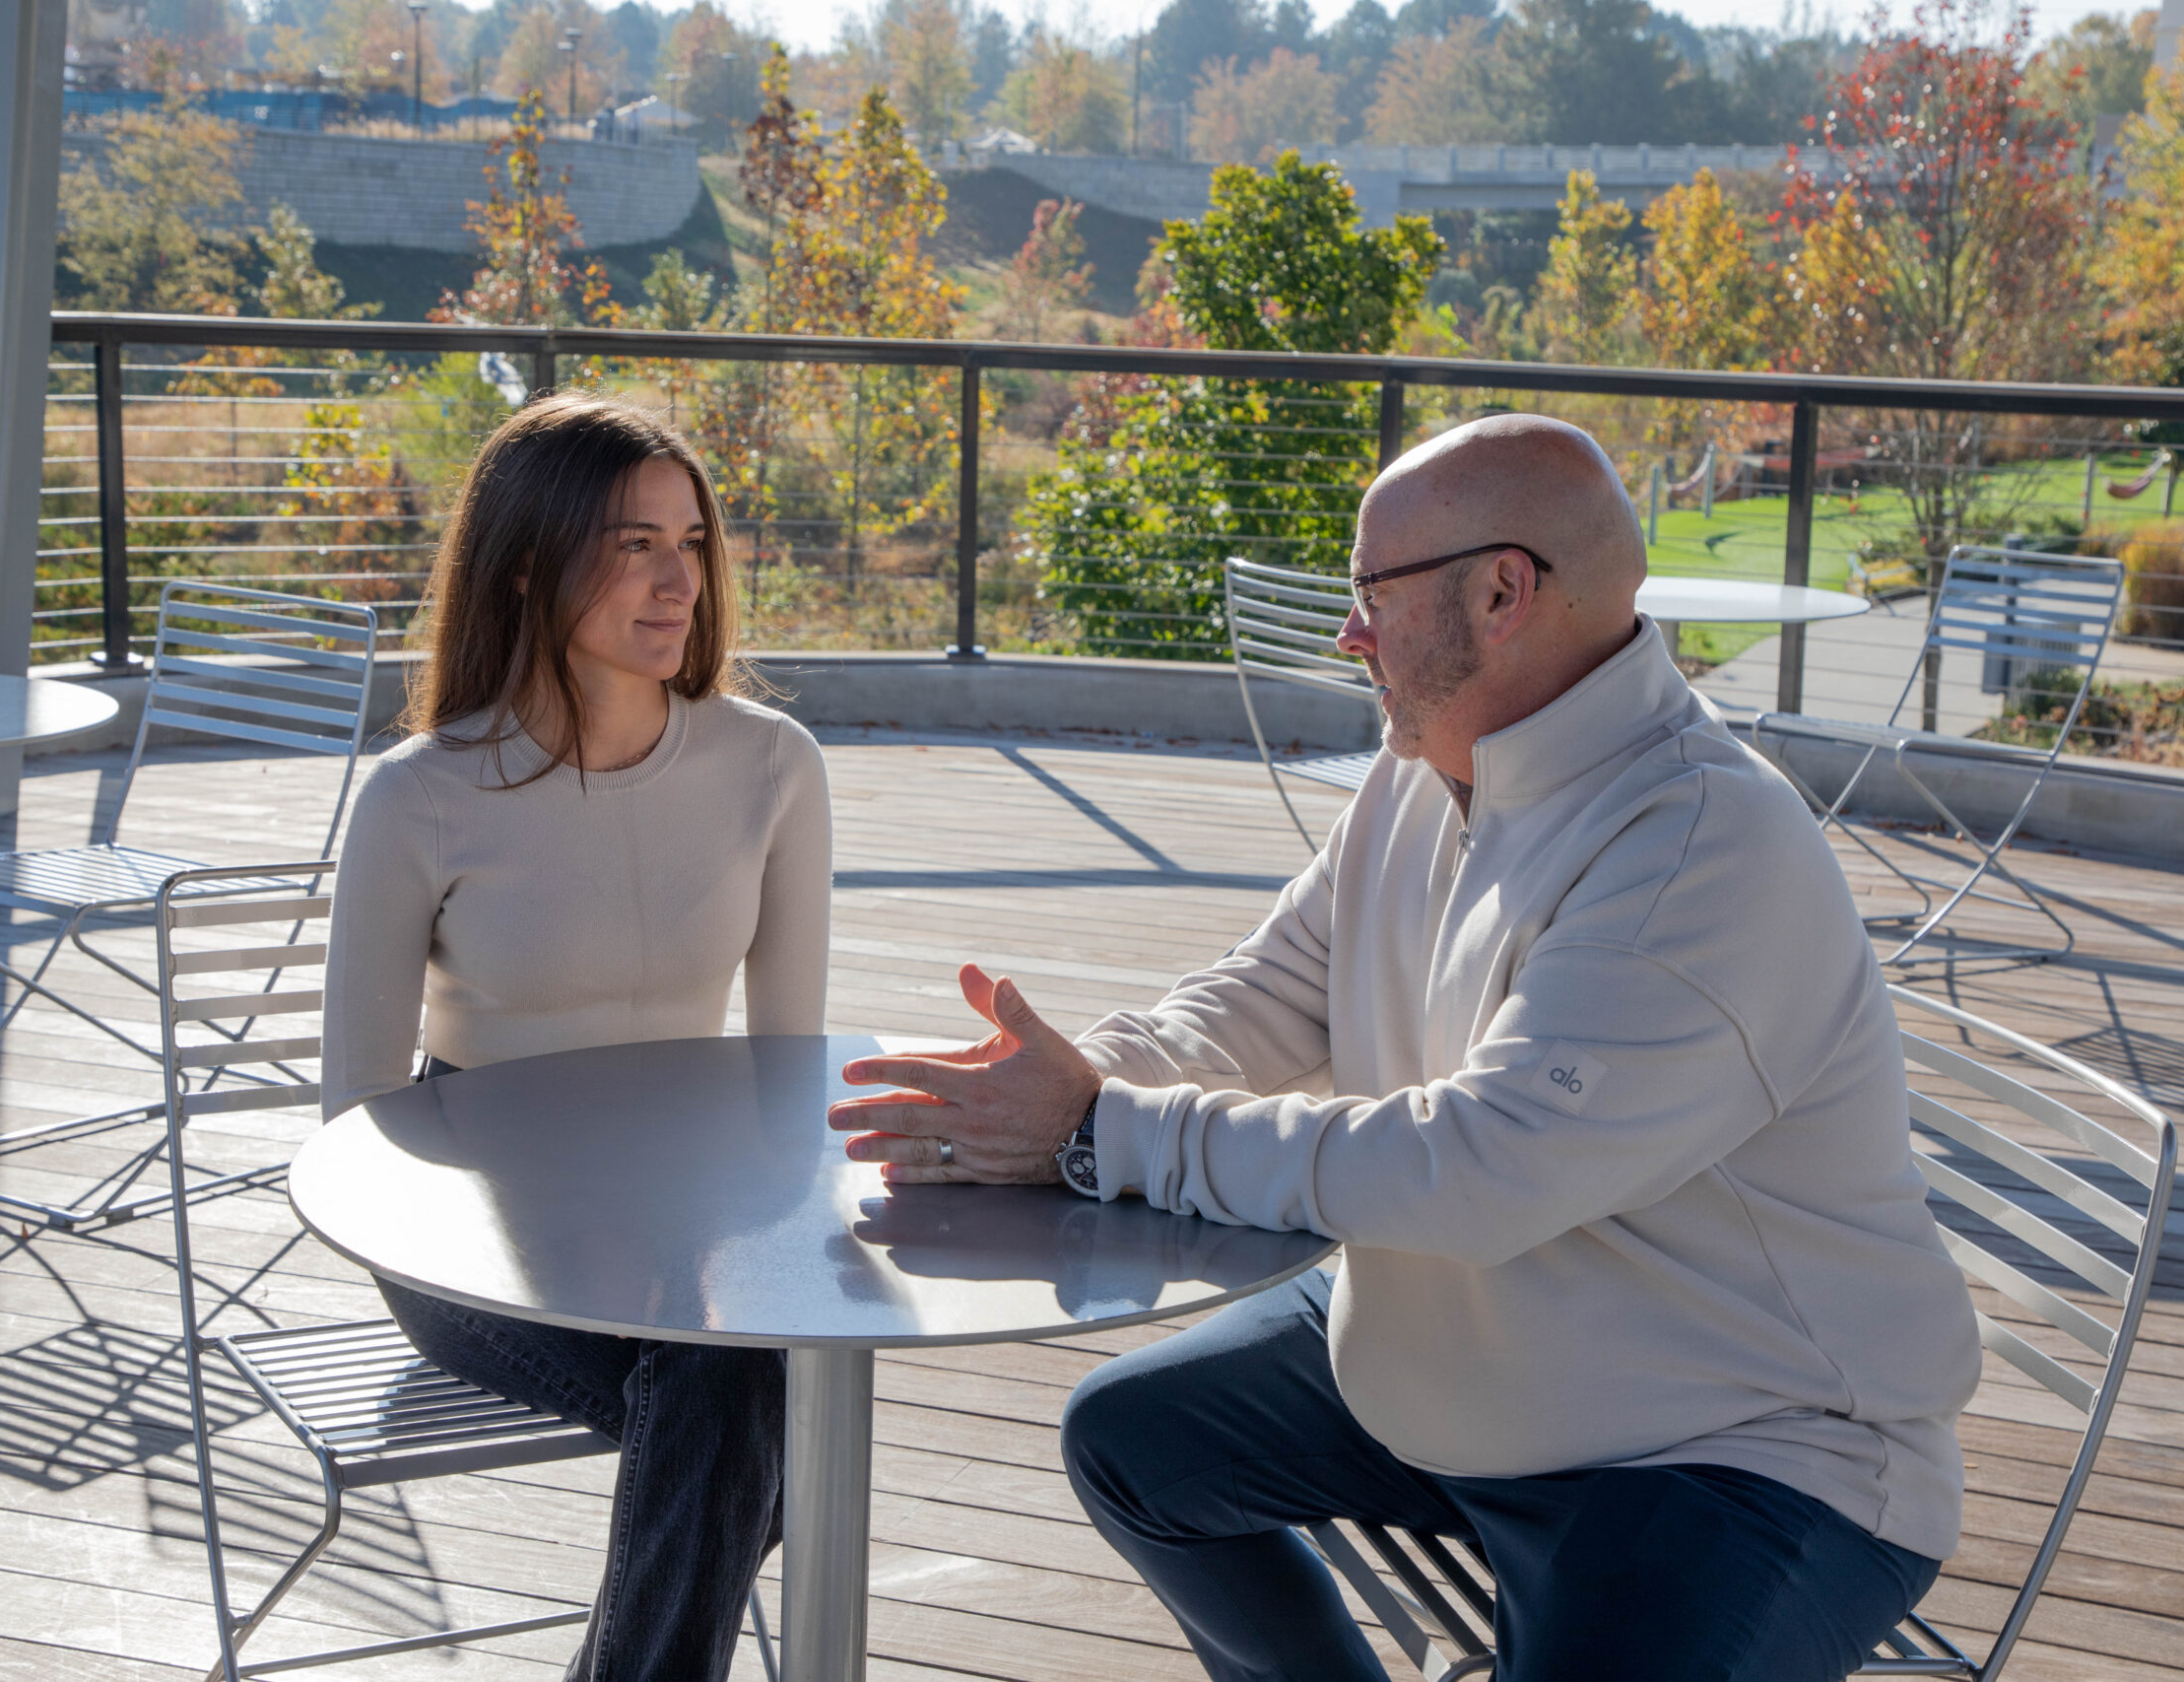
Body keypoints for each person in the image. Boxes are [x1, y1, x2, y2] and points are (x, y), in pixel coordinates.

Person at [824, 414, 1982, 1682]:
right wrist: (1061, 1080)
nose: (1346, 628)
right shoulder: (1426, 767)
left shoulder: (1698, 844)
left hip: (1734, 1448)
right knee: (1131, 1441)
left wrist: (1099, 1133)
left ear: (1501, 592)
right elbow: (1274, 994)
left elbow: (1482, 1170)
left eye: (1371, 590)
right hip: (1451, 1376)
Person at [322, 393, 831, 1682]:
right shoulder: (421, 796)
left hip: (691, 1207)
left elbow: (789, 1076)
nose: (678, 582)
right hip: (460, 1224)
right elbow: (355, 1121)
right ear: (532, 563)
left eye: (692, 541)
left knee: (734, 1386)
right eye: (630, 544)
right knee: (748, 1409)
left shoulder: (774, 766)